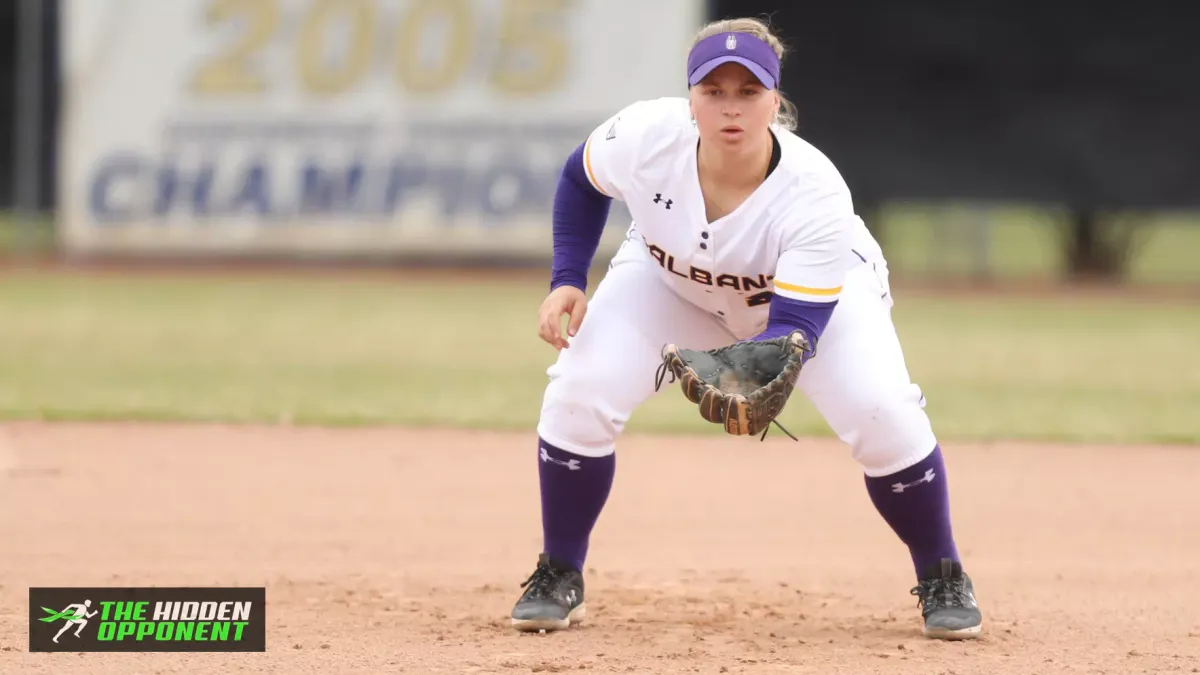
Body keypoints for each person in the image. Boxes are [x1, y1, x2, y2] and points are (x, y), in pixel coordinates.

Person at [510, 17, 984, 641]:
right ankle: (558, 572)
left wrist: (754, 374)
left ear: (776, 100)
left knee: (882, 413)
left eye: (748, 91)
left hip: (810, 304)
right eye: (713, 91)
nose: (730, 107)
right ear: (691, 100)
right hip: (668, 280)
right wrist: (568, 276)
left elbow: (792, 334)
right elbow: (581, 178)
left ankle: (943, 573)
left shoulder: (814, 193)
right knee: (578, 388)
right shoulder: (646, 136)